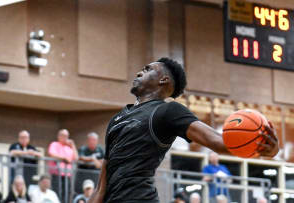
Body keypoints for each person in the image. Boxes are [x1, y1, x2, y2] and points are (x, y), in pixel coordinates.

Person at [88, 58, 279, 203]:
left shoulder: (168, 111)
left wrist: (264, 150)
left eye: (147, 70)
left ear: (163, 80)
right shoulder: (117, 119)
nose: (139, 72)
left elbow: (217, 142)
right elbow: (101, 184)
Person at [47, 129, 78, 201]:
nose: (65, 137)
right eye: (63, 135)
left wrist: (73, 145)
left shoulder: (69, 148)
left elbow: (76, 158)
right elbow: (52, 154)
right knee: (57, 193)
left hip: (67, 175)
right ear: (59, 136)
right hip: (57, 174)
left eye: (67, 136)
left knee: (66, 194)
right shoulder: (54, 144)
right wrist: (63, 158)